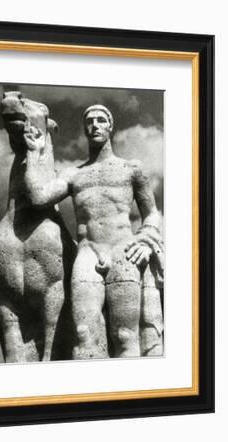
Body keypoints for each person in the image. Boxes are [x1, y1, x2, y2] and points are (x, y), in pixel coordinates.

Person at [22, 104, 163, 358]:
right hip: (87, 252)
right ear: (85, 129)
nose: (95, 125)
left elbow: (152, 212)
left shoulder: (131, 169)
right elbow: (38, 197)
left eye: (101, 120)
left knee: (125, 336)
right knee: (84, 332)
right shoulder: (74, 175)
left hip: (123, 250)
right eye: (90, 121)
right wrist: (33, 153)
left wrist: (145, 239)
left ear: (110, 126)